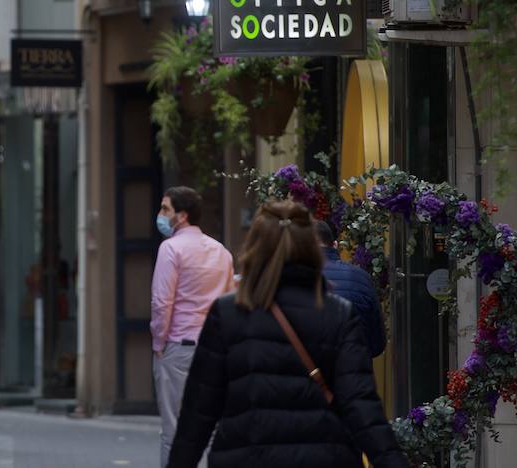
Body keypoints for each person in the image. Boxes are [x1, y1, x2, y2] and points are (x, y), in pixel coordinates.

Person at [168, 201, 408, 468]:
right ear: (311, 250)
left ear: (255, 249)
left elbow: (198, 414)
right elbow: (363, 409)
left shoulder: (227, 315)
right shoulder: (338, 315)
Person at [150, 186, 236, 468]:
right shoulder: (221, 252)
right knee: (211, 428)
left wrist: (159, 344)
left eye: (165, 209)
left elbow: (162, 303)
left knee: (173, 430)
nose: (160, 215)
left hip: (179, 347)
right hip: (214, 349)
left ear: (182, 216)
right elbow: (228, 303)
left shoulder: (170, 249)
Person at [315, 219, 386, 358]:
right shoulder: (360, 278)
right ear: (335, 245)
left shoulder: (292, 278)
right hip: (354, 369)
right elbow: (377, 343)